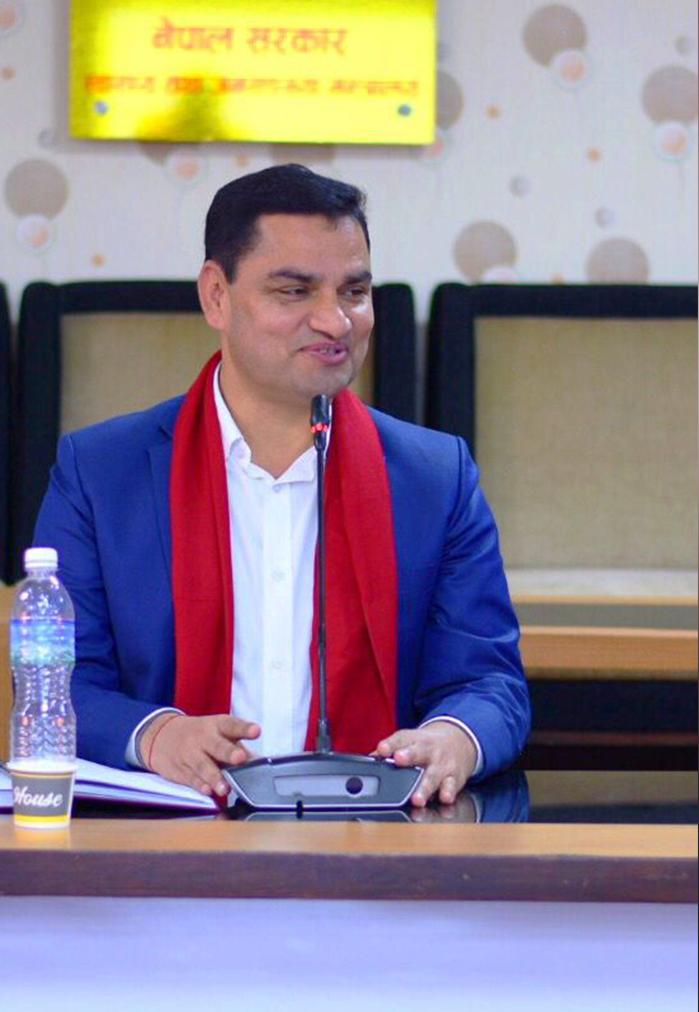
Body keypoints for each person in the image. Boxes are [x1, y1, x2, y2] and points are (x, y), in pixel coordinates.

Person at [31, 164, 529, 807]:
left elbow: (490, 683)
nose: (335, 322)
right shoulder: (101, 473)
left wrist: (453, 738)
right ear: (216, 296)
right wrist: (156, 736)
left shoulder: (437, 477)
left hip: (378, 834)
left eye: (354, 292)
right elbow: (56, 682)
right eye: (294, 291)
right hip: (166, 836)